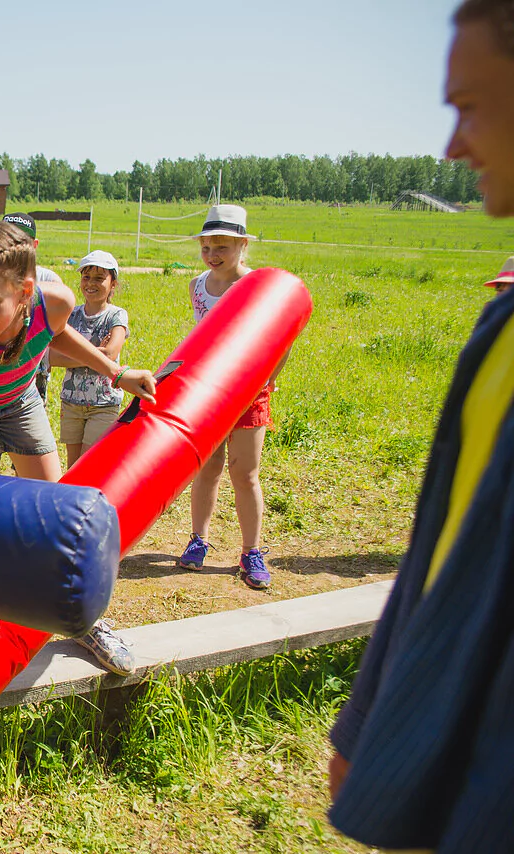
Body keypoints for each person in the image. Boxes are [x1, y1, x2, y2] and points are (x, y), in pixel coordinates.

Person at [328, 4, 514, 849]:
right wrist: (370, 715)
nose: (451, 146)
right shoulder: (501, 329)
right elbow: (445, 551)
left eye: (469, 106)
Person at [0, 220, 157, 675]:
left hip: (17, 400)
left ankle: (80, 619)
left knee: (55, 514)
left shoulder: (57, 301)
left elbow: (55, 332)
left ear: (25, 290)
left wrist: (116, 372)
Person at [176, 205, 282, 591]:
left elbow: (282, 338)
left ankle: (251, 552)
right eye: (206, 247)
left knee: (245, 473)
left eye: (221, 247)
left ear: (242, 245)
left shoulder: (258, 285)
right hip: (208, 392)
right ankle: (198, 540)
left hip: (249, 393)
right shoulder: (197, 286)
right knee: (207, 469)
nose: (212, 255)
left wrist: (268, 380)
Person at [0, 212, 64, 475]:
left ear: (34, 245)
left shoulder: (50, 281)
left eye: (22, 240)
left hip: (30, 376)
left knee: (27, 455)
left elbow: (58, 332)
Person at [52, 250, 128, 468]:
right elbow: (53, 357)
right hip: (71, 402)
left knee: (88, 465)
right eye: (86, 277)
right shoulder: (71, 315)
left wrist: (73, 352)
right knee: (72, 467)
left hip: (103, 403)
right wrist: (96, 353)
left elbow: (111, 354)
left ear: (113, 284)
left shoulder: (116, 315)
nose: (91, 283)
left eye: (99, 278)